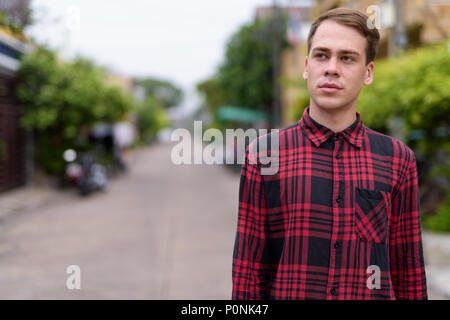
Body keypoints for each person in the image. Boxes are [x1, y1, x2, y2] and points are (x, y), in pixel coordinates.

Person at [232, 8, 427, 300]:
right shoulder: (263, 156)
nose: (332, 68)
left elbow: (407, 273)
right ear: (307, 65)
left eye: (347, 58)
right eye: (322, 55)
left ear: (368, 72)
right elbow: (249, 272)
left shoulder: (397, 160)